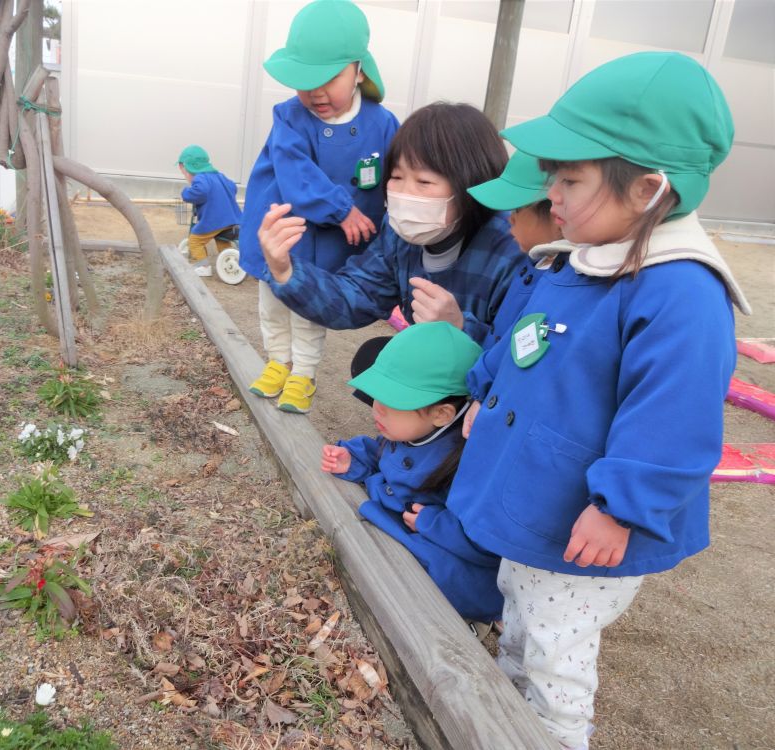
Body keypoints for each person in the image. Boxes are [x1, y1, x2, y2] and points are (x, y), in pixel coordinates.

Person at [443, 52, 751, 750]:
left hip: (585, 532)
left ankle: (550, 736)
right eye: (552, 175)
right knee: (523, 624)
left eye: (570, 177)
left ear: (646, 189)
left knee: (557, 654)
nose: (549, 192)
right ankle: (507, 722)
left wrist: (621, 510)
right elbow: (523, 341)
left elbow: (673, 420)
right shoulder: (579, 256)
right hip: (539, 511)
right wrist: (484, 392)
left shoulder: (679, 291)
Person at [257, 101, 523, 406]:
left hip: (489, 395)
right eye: (396, 177)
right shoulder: (400, 236)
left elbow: (525, 359)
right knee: (374, 360)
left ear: (472, 183)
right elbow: (353, 297)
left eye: (423, 182)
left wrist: (460, 328)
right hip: (438, 371)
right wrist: (286, 271)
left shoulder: (511, 248)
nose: (405, 194)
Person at [238, 0, 400, 414]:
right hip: (284, 231)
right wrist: (341, 209)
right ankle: (278, 361)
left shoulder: (382, 125)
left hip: (327, 244)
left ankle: (303, 374)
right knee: (272, 302)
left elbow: (397, 176)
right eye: (304, 80)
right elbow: (295, 173)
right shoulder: (290, 117)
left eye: (328, 78)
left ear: (359, 69)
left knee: (310, 308)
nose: (316, 92)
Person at [321, 321, 503, 630]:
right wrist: (351, 459)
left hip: (447, 551)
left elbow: (486, 540)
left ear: (442, 413)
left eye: (392, 403)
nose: (376, 408)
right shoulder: (411, 432)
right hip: (405, 532)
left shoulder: (465, 461)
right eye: (377, 396)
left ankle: (471, 623)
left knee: (440, 576)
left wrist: (432, 523)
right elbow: (379, 453)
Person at [466, 150, 562, 348]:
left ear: (556, 213)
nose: (511, 218)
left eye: (517, 208)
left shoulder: (561, 285)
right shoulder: (532, 265)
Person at [177, 145, 242, 278]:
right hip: (232, 218)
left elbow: (200, 192)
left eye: (185, 173)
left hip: (215, 220)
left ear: (187, 168)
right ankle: (230, 260)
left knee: (194, 241)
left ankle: (203, 266)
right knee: (222, 239)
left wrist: (186, 193)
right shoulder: (219, 175)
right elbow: (233, 187)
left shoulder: (200, 178)